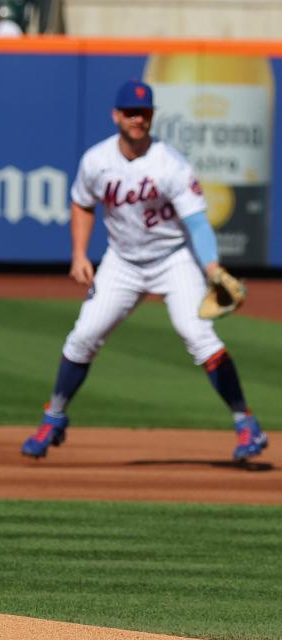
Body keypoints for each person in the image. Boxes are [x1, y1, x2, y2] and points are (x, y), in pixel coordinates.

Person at [21, 79, 267, 463]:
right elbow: (81, 203)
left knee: (198, 334)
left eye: (145, 112)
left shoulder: (170, 163)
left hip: (175, 259)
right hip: (122, 261)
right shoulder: (97, 160)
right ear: (116, 115)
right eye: (131, 112)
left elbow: (198, 223)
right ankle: (53, 417)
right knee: (83, 336)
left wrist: (212, 266)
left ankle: (245, 423)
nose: (138, 118)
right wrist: (79, 254)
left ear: (152, 117)